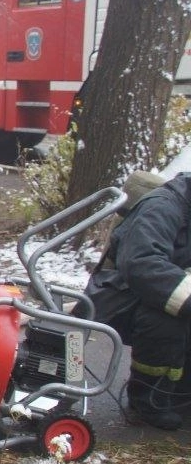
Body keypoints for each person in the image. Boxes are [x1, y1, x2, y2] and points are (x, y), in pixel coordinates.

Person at [85, 171, 191, 430]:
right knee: (166, 315)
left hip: (163, 294)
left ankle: (182, 393)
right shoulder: (162, 208)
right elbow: (143, 265)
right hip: (121, 297)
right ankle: (149, 401)